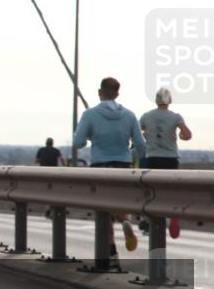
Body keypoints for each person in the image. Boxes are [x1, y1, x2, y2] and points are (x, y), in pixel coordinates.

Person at [73, 77, 147, 263]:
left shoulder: (90, 114)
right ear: (117, 93)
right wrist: (132, 153)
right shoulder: (129, 115)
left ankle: (112, 252)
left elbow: (78, 142)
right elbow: (140, 144)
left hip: (100, 166)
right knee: (121, 204)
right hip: (123, 164)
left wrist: (91, 136)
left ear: (100, 92)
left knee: (104, 211)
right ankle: (126, 221)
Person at [139, 88, 193, 238]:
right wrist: (180, 136)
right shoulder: (176, 117)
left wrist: (146, 135)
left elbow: (137, 134)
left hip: (153, 158)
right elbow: (187, 135)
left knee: (152, 191)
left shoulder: (146, 116)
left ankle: (149, 220)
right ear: (170, 101)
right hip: (170, 159)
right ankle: (173, 215)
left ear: (156, 100)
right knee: (171, 190)